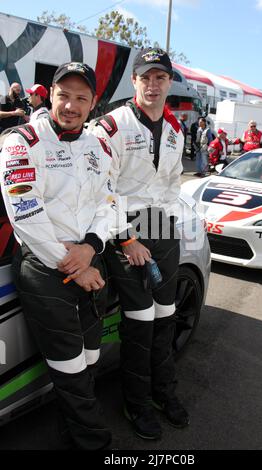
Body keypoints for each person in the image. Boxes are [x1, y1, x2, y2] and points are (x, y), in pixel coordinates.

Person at [0, 62, 127, 450]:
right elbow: (25, 213)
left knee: (89, 360)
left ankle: (69, 434)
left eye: (80, 98)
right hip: (44, 267)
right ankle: (95, 443)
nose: (70, 105)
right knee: (71, 368)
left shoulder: (99, 145)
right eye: (63, 96)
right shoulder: (21, 140)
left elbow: (109, 202)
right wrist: (73, 263)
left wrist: (91, 247)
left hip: (89, 261)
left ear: (93, 104)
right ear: (51, 95)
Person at [89, 47, 189, 440]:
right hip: (123, 229)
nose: (152, 84)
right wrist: (128, 238)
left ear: (169, 82)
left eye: (160, 77)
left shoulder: (177, 130)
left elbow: (171, 184)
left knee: (167, 316)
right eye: (145, 77)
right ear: (134, 81)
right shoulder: (111, 126)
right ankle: (137, 404)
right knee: (141, 320)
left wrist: (169, 225)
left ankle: (164, 392)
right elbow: (101, 190)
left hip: (162, 227)